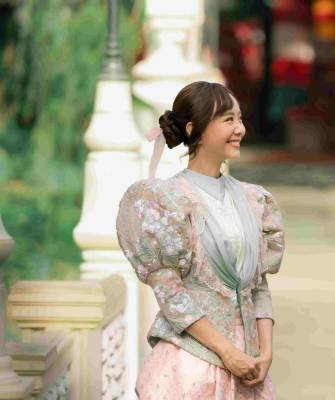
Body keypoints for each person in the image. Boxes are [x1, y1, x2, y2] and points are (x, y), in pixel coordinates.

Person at [116, 81, 284, 399]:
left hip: (248, 368)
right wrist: (227, 352)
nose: (240, 129)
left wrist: (266, 352)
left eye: (240, 119)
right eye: (228, 120)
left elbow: (258, 285)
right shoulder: (167, 201)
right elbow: (170, 293)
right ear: (195, 129)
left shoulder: (253, 199)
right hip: (191, 366)